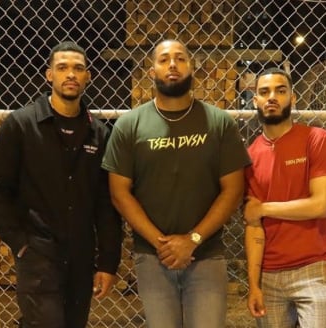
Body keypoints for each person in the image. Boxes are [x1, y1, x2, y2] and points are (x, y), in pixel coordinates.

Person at [102, 39, 251, 328]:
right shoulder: (130, 125)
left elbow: (233, 190)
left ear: (192, 68)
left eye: (181, 58)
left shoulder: (219, 123)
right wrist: (164, 245)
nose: (173, 64)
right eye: (164, 59)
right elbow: (119, 193)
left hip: (206, 254)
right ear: (152, 71)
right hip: (153, 257)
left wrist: (192, 240)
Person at [0, 41, 122, 328]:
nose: (70, 74)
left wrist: (108, 262)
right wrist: (20, 244)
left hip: (81, 258)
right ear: (49, 75)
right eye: (62, 68)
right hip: (38, 255)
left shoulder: (99, 134)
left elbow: (106, 202)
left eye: (78, 68)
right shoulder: (21, 126)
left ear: (88, 76)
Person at [243, 67, 326, 328]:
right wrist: (254, 285)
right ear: (255, 101)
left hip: (312, 269)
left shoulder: (316, 139)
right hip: (270, 274)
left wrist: (264, 208)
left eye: (280, 90)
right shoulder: (251, 156)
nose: (272, 97)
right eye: (264, 92)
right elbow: (254, 226)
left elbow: (320, 205)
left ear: (292, 98)